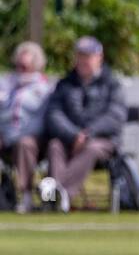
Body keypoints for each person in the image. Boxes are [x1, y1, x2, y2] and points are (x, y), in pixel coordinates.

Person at [41, 36, 126, 212]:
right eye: (80, 56)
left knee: (92, 148)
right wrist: (73, 135)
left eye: (87, 56)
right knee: (55, 146)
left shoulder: (112, 84)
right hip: (69, 139)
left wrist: (88, 134)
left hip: (102, 141)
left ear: (99, 58)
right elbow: (53, 114)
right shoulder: (65, 84)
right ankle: (58, 198)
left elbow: (115, 117)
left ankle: (60, 193)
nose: (83, 60)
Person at [1, 41, 52, 213]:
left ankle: (27, 196)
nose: (20, 69)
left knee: (24, 144)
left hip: (32, 140)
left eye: (25, 65)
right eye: (18, 64)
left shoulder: (44, 89)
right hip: (5, 137)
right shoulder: (6, 84)